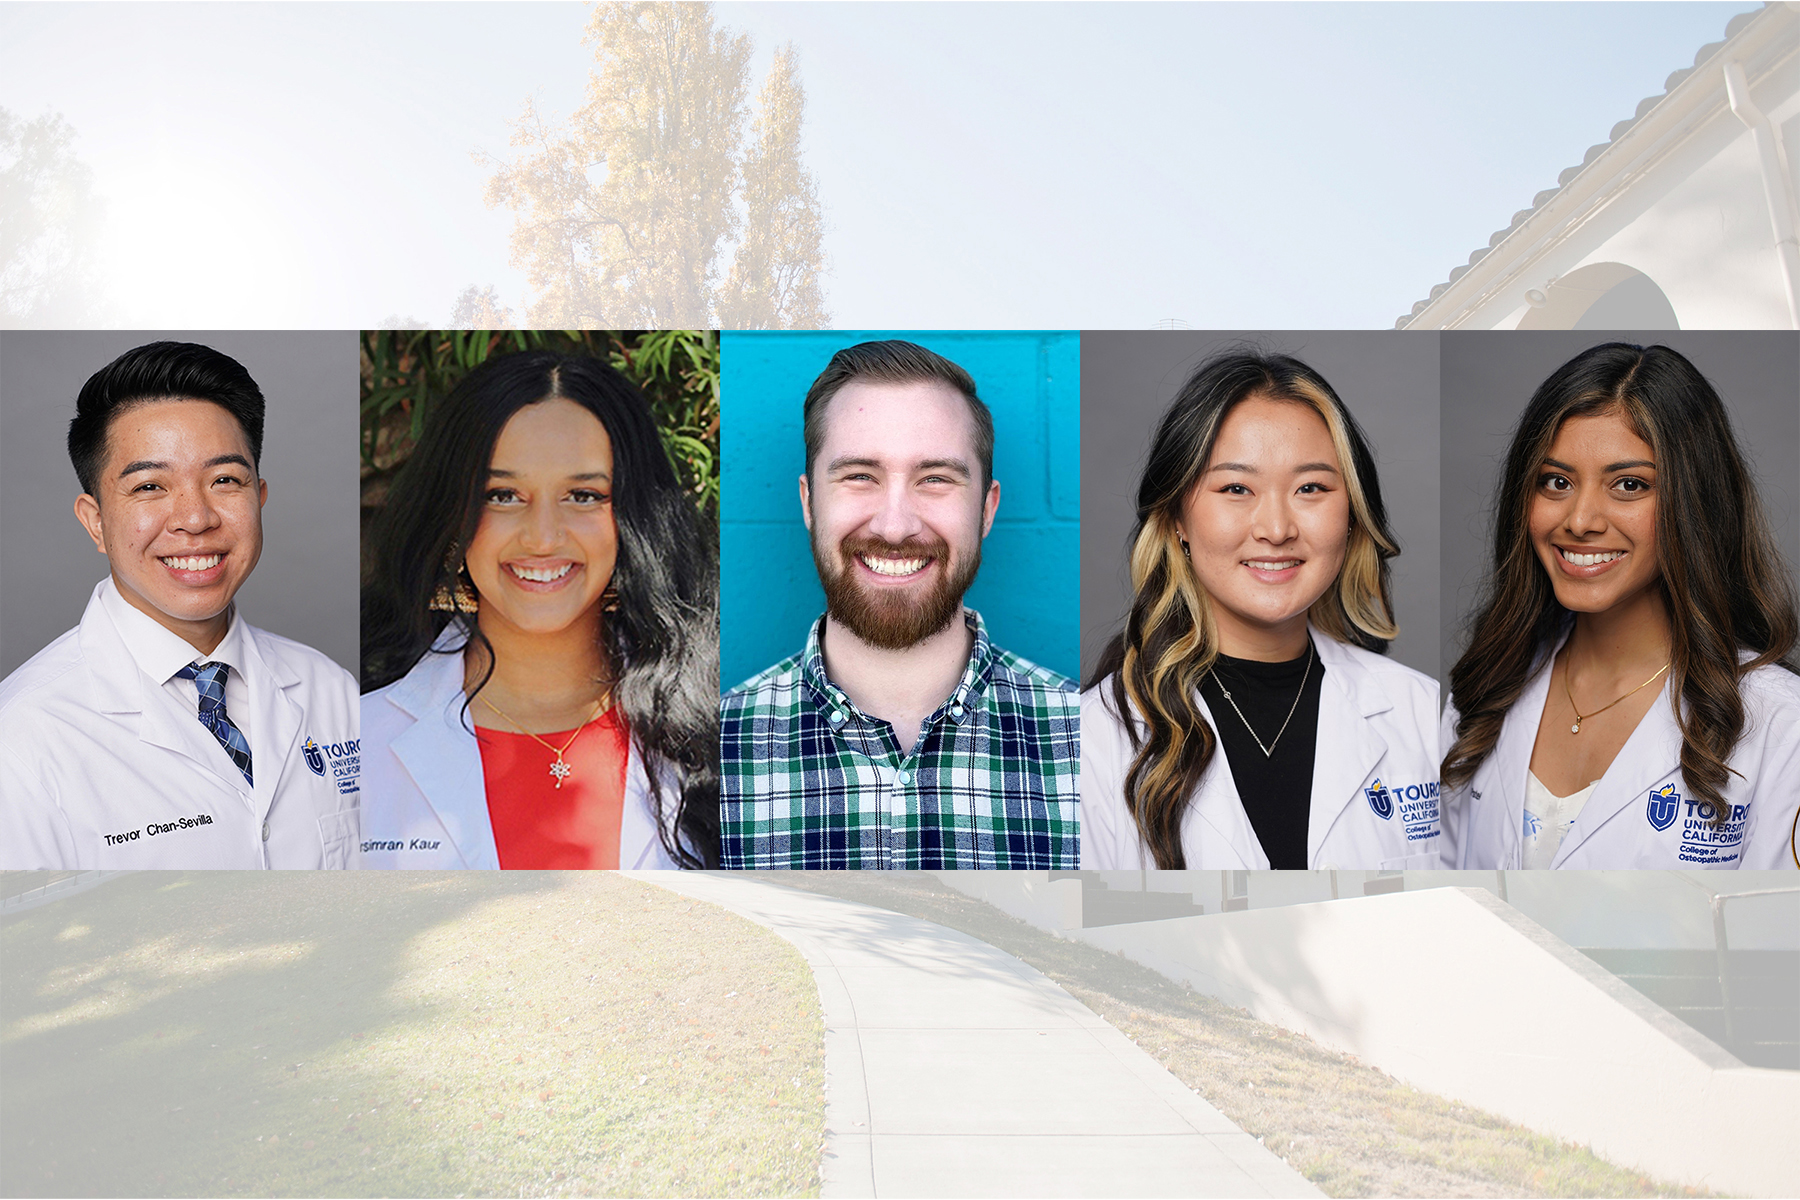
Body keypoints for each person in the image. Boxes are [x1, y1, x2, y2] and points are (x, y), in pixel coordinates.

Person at [0, 341, 362, 869]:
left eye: (224, 480)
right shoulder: (24, 737)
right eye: (150, 486)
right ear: (95, 520)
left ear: (259, 497)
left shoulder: (331, 690)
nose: (195, 519)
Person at [719, 340, 1079, 869]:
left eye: (935, 479)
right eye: (860, 476)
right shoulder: (717, 750)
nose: (894, 525)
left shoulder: (1086, 742)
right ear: (808, 503)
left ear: (986, 509)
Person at [1441, 343, 1800, 870]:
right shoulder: (1486, 690)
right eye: (1556, 482)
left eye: (1629, 484)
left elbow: (1775, 944)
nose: (1581, 519)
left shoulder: (1781, 720)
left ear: (1693, 501)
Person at [1082, 350, 1440, 870]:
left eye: (1310, 488)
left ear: (1352, 512)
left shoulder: (1422, 712)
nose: (1275, 529)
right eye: (1236, 488)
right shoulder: (1091, 741)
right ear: (1178, 516)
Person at [360, 350, 717, 869]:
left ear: (634, 515)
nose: (543, 537)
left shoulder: (713, 736)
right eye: (503, 494)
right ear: (453, 515)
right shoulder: (355, 739)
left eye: (584, 495)